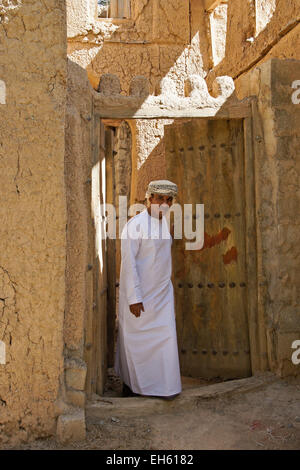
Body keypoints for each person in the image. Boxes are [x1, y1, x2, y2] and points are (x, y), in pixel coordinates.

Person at [114, 180, 182, 399]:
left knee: (166, 339)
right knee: (137, 346)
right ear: (149, 198)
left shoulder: (163, 222)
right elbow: (129, 264)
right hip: (140, 299)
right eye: (160, 198)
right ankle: (134, 387)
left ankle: (166, 388)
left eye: (168, 200)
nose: (164, 203)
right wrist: (134, 298)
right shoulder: (134, 226)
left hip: (162, 297)